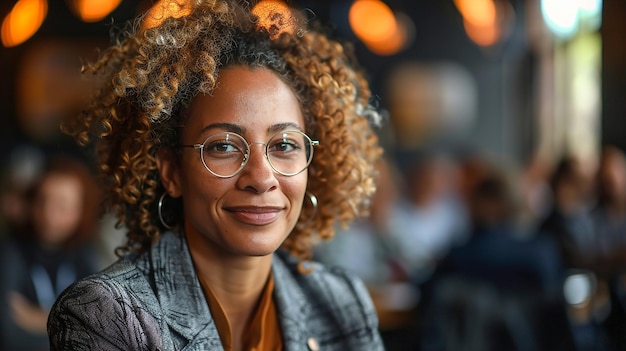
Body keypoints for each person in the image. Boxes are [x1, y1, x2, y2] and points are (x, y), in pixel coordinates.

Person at [47, 1, 385, 350]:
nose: (261, 178)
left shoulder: (343, 302)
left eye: (284, 145)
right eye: (223, 147)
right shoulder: (106, 315)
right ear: (172, 172)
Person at [1, 155, 101, 351]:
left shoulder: (84, 254)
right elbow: (8, 333)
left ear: (81, 211)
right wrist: (72, 323)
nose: (49, 213)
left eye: (62, 205)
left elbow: (98, 328)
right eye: (42, 201)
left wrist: (40, 318)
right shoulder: (11, 253)